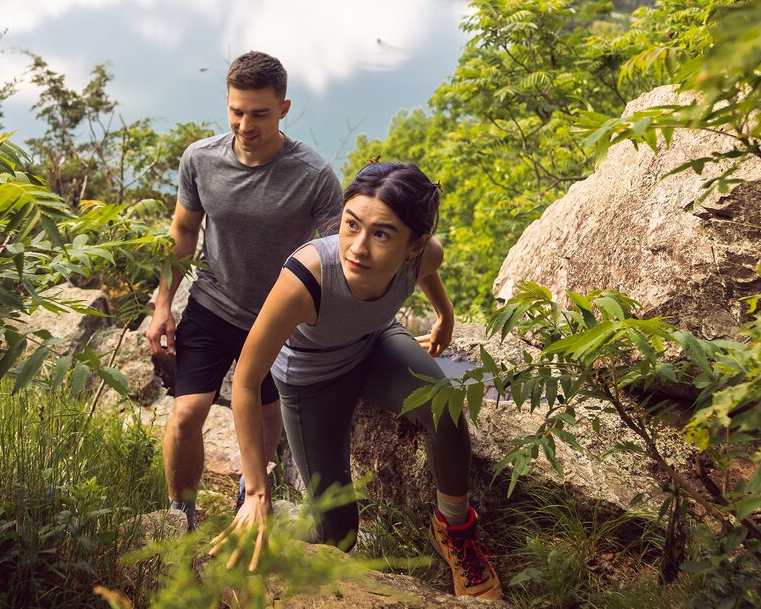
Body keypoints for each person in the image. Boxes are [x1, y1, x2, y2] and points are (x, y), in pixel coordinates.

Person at [210, 161, 502, 600]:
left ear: (413, 244)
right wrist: (256, 491)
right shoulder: (307, 278)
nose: (358, 248)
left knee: (444, 404)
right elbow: (247, 381)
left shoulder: (426, 255)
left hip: (373, 344)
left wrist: (445, 315)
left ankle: (455, 528)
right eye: (351, 225)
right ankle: (273, 514)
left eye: (382, 234)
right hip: (312, 380)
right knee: (337, 534)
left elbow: (427, 272)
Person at [145, 51, 343, 531]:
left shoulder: (313, 175)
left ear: (284, 109)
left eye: (259, 113)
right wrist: (162, 306)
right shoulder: (200, 159)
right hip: (213, 303)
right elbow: (183, 234)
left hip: (277, 316)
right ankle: (181, 514)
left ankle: (247, 494)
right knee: (188, 414)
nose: (245, 123)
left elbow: (340, 250)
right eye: (236, 110)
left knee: (263, 414)